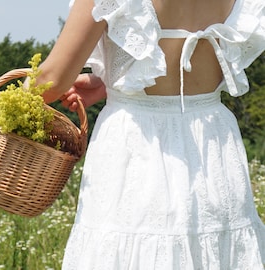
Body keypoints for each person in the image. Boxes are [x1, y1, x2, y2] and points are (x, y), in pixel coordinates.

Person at [34, 0, 265, 268]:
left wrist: (3, 104)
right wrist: (111, 81)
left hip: (137, 145)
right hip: (213, 142)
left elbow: (52, 78)